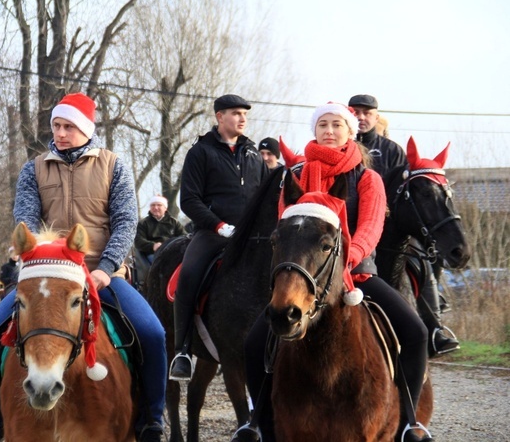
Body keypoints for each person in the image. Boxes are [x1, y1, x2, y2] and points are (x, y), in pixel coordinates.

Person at [0, 93, 167, 442]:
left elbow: (125, 223)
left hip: (100, 273)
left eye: (69, 126)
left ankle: (151, 421)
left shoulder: (113, 165)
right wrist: (36, 257)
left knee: (153, 334)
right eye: (57, 126)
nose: (60, 133)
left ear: (86, 129)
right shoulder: (34, 168)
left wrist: (106, 268)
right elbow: (26, 221)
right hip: (48, 274)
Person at [244, 103, 433, 442]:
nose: (329, 131)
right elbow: (287, 228)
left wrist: (349, 259)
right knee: (254, 343)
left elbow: (372, 226)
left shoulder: (367, 177)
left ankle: (408, 423)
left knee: (416, 332)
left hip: (356, 273)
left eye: (336, 125)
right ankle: (259, 425)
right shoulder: (296, 175)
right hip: (308, 276)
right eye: (322, 125)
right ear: (314, 131)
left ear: (350, 131)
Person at [349, 94, 458, 356]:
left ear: (376, 116)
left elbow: (402, 189)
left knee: (420, 257)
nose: (362, 117)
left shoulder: (392, 149)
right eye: (357, 112)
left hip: (390, 224)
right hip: (353, 226)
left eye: (368, 113)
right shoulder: (346, 147)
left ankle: (435, 329)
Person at [169, 94, 267, 381]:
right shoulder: (200, 152)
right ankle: (182, 351)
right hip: (213, 234)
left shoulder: (253, 154)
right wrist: (219, 226)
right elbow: (189, 200)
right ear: (219, 117)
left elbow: (263, 198)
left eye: (245, 114)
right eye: (236, 113)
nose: (242, 118)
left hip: (252, 237)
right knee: (188, 275)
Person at [134, 195, 186, 263]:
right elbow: (138, 241)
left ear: (165, 208)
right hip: (152, 253)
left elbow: (184, 238)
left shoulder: (174, 223)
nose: (156, 207)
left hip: (172, 252)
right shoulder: (143, 223)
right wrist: (153, 246)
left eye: (159, 205)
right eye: (153, 205)